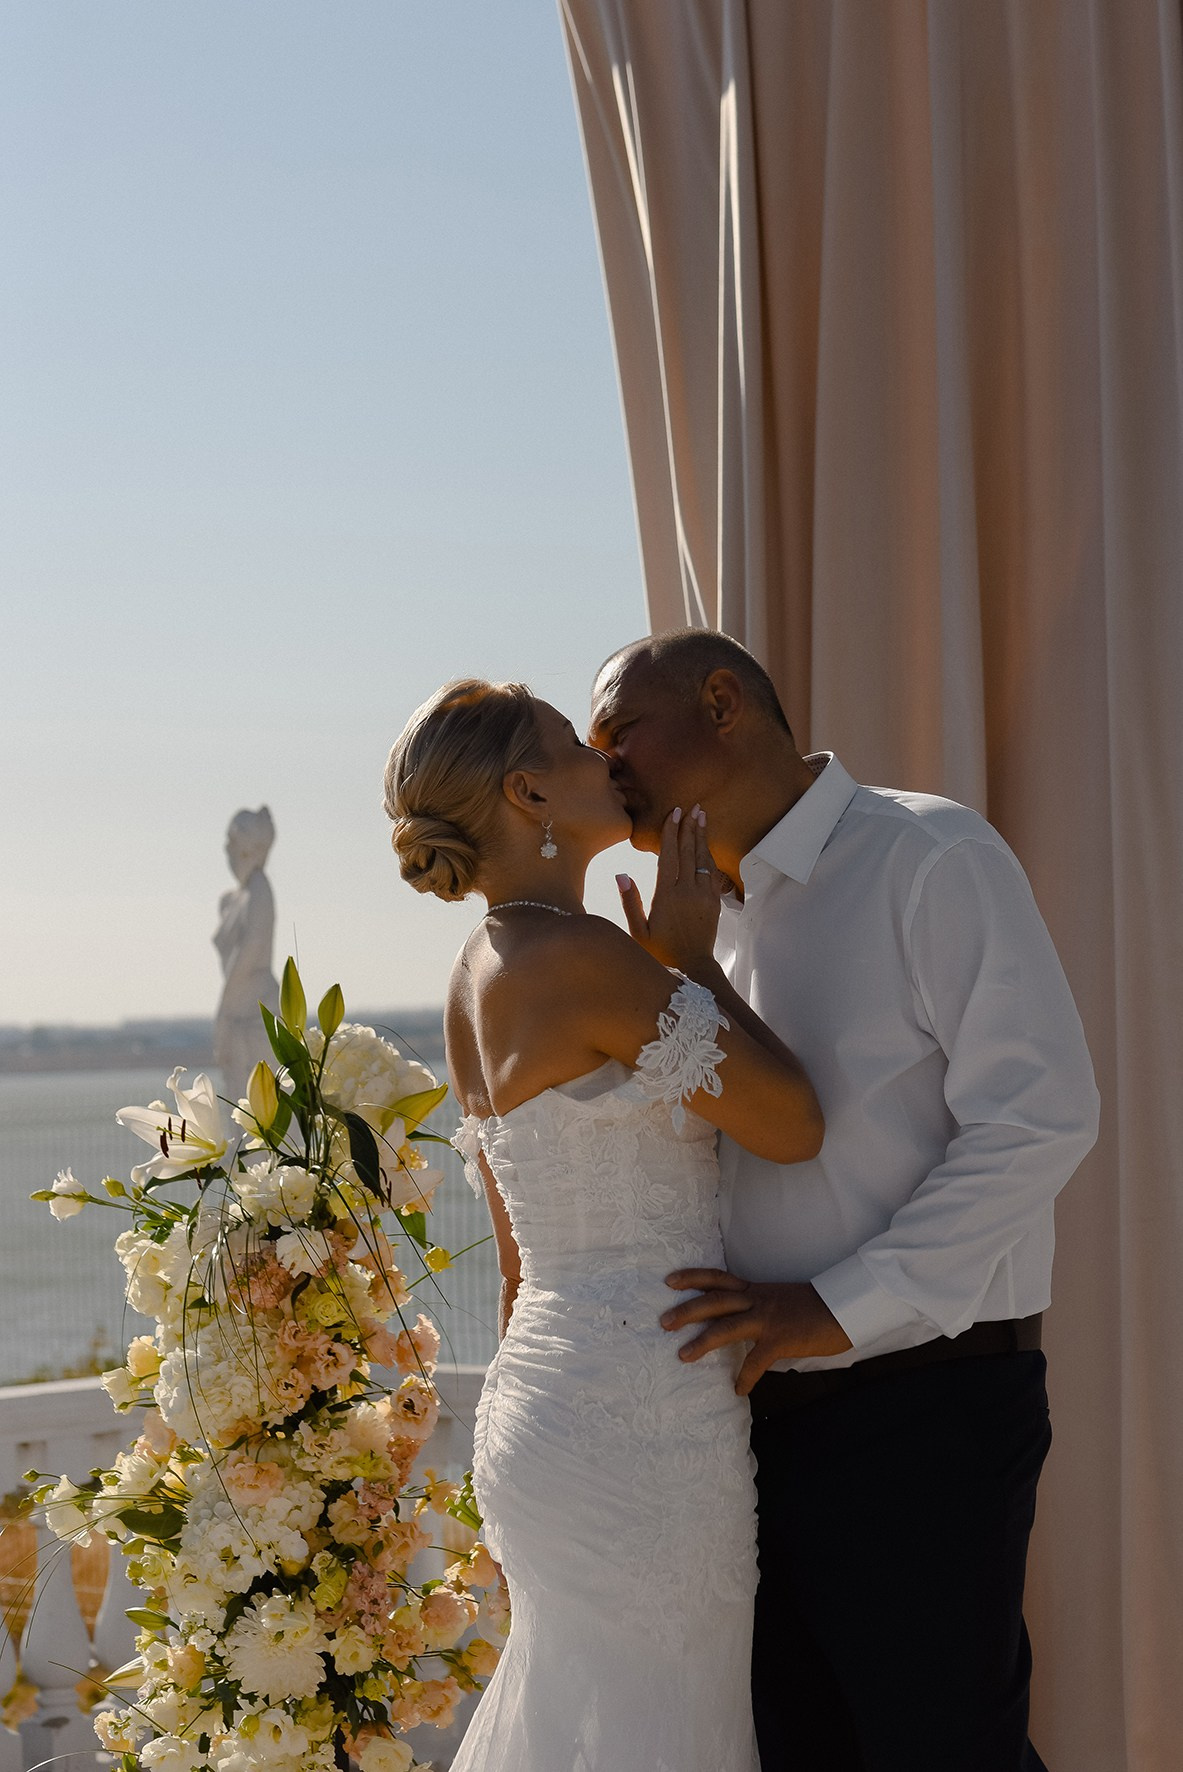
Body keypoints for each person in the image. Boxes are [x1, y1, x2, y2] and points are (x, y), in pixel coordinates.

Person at [588, 629, 1101, 1772]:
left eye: (619, 731)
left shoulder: (928, 854)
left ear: (723, 700)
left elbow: (1040, 1115)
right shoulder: (689, 926)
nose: (602, 765)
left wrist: (835, 1305)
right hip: (742, 1428)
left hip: (924, 1408)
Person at [382, 678, 823, 1772]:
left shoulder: (474, 973)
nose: (608, 760)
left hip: (544, 1403)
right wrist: (693, 959)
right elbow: (794, 1124)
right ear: (529, 792)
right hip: (642, 1427)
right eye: (577, 746)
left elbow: (515, 1264)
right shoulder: (583, 958)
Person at [212, 806, 280, 1104]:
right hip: (239, 1012)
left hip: (256, 1014)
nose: (226, 849)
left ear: (246, 849)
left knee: (260, 1109)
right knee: (240, 1108)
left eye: (231, 841)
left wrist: (222, 1014)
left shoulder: (259, 889)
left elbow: (248, 957)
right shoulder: (235, 899)